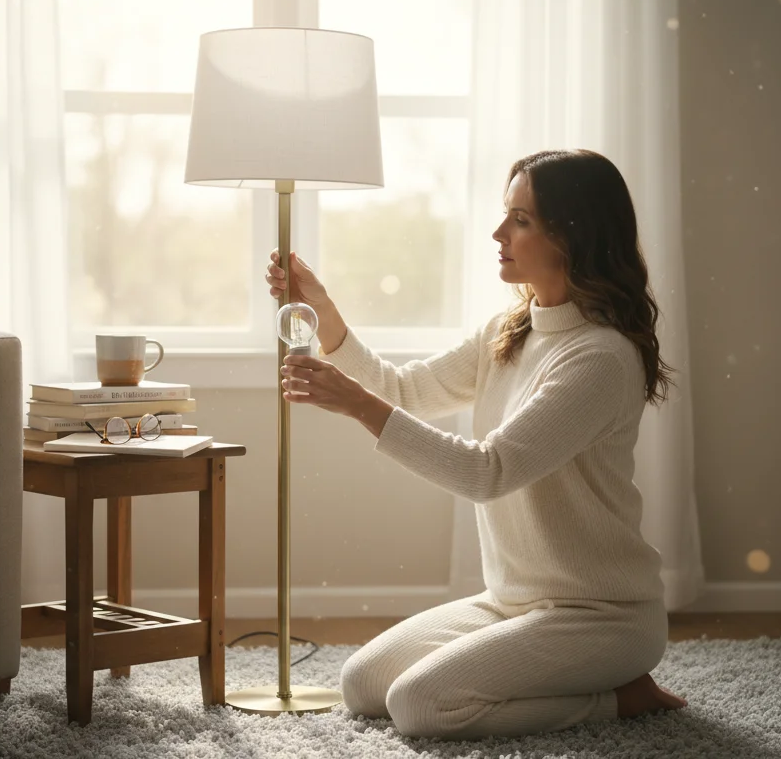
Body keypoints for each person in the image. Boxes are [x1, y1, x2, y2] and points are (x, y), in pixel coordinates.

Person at [264, 149, 687, 740]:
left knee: (422, 705)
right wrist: (325, 311)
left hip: (601, 615)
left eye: (520, 220)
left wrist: (357, 405)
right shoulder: (506, 332)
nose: (498, 233)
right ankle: (579, 683)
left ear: (573, 234)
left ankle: (618, 698)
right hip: (512, 601)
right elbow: (404, 389)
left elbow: (488, 472)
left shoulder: (601, 359)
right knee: (363, 685)